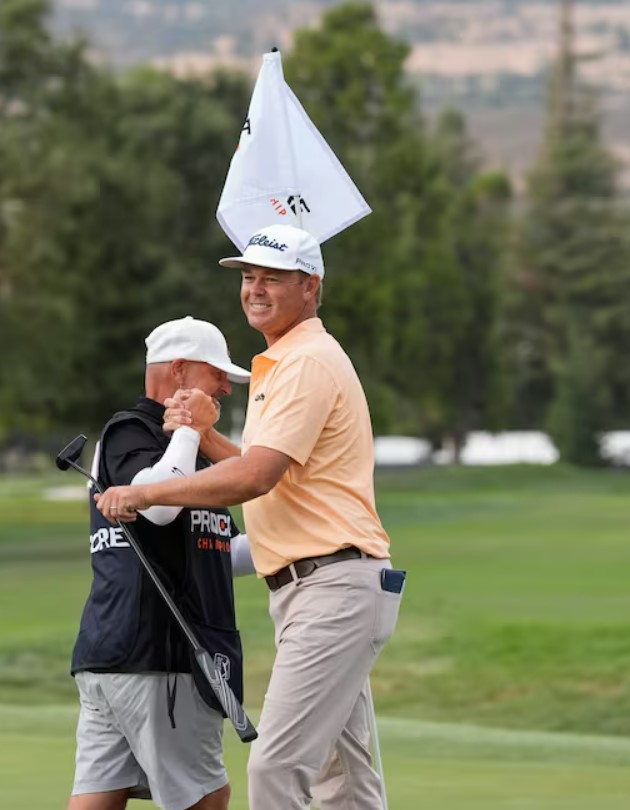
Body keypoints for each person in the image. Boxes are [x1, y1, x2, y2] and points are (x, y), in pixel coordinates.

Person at [96, 224, 404, 810]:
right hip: (325, 586)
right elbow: (266, 470)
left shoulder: (305, 363)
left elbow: (254, 479)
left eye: (273, 278)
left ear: (310, 286)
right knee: (346, 780)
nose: (255, 290)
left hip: (333, 588)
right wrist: (206, 436)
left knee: (276, 767)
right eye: (249, 278)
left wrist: (143, 496)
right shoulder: (287, 361)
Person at [69, 315, 256, 810]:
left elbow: (223, 551)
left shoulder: (193, 452)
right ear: (177, 370)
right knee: (206, 797)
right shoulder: (132, 432)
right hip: (157, 657)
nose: (224, 388)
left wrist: (303, 540)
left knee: (99, 797)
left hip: (123, 659)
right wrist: (193, 431)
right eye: (215, 373)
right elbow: (158, 506)